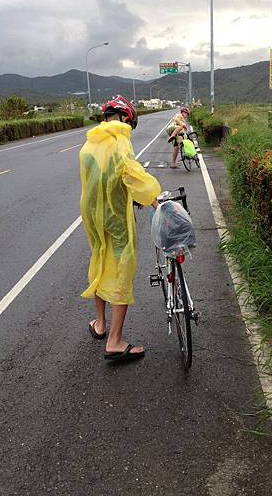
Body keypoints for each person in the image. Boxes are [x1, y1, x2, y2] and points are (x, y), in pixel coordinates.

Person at [79, 96, 161, 362]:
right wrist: (153, 198)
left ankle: (100, 324)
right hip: (115, 218)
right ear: (126, 118)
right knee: (122, 268)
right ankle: (114, 341)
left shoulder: (90, 143)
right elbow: (129, 171)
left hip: (93, 216)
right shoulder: (119, 139)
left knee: (101, 261)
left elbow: (100, 178)